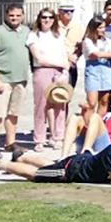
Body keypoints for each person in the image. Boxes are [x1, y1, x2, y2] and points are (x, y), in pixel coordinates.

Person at [0, 125, 111, 185]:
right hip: (73, 171)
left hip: (81, 162)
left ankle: (22, 156)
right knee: (37, 175)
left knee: (49, 165)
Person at [0, 4, 30, 155]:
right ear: (6, 16)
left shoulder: (26, 31)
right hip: (3, 79)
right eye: (11, 15)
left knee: (13, 113)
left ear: (23, 16)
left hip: (20, 79)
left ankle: (10, 143)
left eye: (18, 15)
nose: (14, 18)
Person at [27, 8, 70, 151]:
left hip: (59, 72)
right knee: (41, 106)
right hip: (42, 71)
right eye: (44, 17)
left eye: (50, 17)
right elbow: (39, 58)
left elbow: (64, 54)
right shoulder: (33, 35)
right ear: (39, 19)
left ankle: (57, 136)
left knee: (60, 104)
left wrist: (65, 71)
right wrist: (59, 64)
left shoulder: (59, 34)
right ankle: (39, 139)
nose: (47, 20)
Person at [83, 16, 111, 115]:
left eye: (104, 27)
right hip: (93, 71)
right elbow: (95, 54)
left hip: (106, 70)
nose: (103, 30)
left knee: (104, 101)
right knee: (91, 102)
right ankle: (87, 122)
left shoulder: (106, 40)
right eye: (100, 28)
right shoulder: (88, 41)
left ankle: (98, 122)